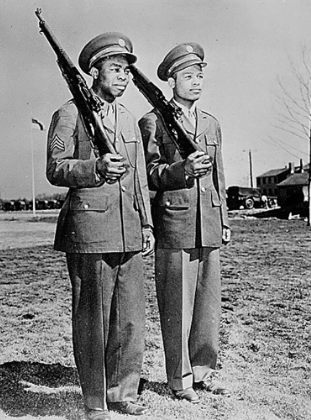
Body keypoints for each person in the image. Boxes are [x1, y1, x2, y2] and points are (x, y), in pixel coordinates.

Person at [46, 32, 154, 420]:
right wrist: (95, 168)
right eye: (115, 69)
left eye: (127, 70)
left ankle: (123, 391)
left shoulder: (127, 119)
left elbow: (139, 175)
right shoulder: (70, 113)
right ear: (94, 72)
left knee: (129, 316)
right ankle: (94, 400)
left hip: (128, 228)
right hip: (89, 230)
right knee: (93, 318)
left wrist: (146, 223)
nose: (123, 77)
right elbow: (55, 168)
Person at [138, 42, 230, 403]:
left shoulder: (211, 123)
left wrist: (222, 217)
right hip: (174, 224)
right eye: (188, 76)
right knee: (177, 305)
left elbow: (219, 174)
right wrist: (182, 170)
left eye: (200, 75)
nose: (196, 82)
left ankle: (204, 371)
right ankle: (180, 379)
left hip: (208, 220)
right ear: (171, 80)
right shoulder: (153, 121)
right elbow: (150, 174)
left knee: (207, 304)